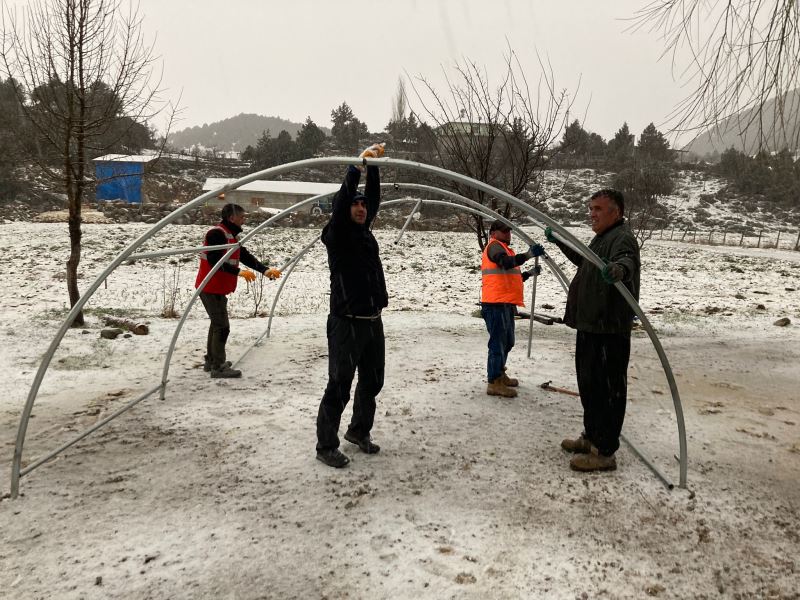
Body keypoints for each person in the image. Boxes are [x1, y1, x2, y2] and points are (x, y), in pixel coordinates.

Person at [545, 189, 640, 472]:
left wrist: (619, 270)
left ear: (617, 212)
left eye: (598, 209)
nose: (592, 214)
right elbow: (586, 261)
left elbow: (626, 261)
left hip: (608, 328)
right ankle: (591, 436)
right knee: (590, 387)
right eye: (591, 208)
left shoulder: (621, 238)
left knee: (607, 390)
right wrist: (561, 242)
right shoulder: (602, 238)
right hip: (591, 325)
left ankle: (605, 451)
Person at [316, 143, 388, 468]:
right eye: (355, 205)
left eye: (363, 206)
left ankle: (359, 431)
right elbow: (342, 202)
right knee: (340, 385)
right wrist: (356, 168)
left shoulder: (364, 233)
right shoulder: (338, 235)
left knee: (372, 381)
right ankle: (325, 445)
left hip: (372, 319)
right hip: (346, 321)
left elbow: (372, 201)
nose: (361, 208)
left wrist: (373, 168)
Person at [195, 203, 281, 378]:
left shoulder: (231, 236)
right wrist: (239, 272)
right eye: (242, 217)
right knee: (222, 326)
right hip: (210, 287)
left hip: (217, 288)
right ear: (232, 218)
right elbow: (214, 260)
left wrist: (265, 270)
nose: (244, 220)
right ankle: (218, 367)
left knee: (216, 324)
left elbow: (245, 256)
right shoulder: (216, 234)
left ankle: (212, 361)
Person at [481, 219, 545, 398]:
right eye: (503, 231)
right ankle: (494, 382)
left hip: (505, 304)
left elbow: (511, 277)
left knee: (507, 341)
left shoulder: (506, 250)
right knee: (497, 343)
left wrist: (529, 274)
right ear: (493, 233)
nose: (507, 234)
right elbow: (505, 263)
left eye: (509, 231)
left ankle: (499, 373)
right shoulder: (495, 246)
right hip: (495, 305)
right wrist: (528, 255)